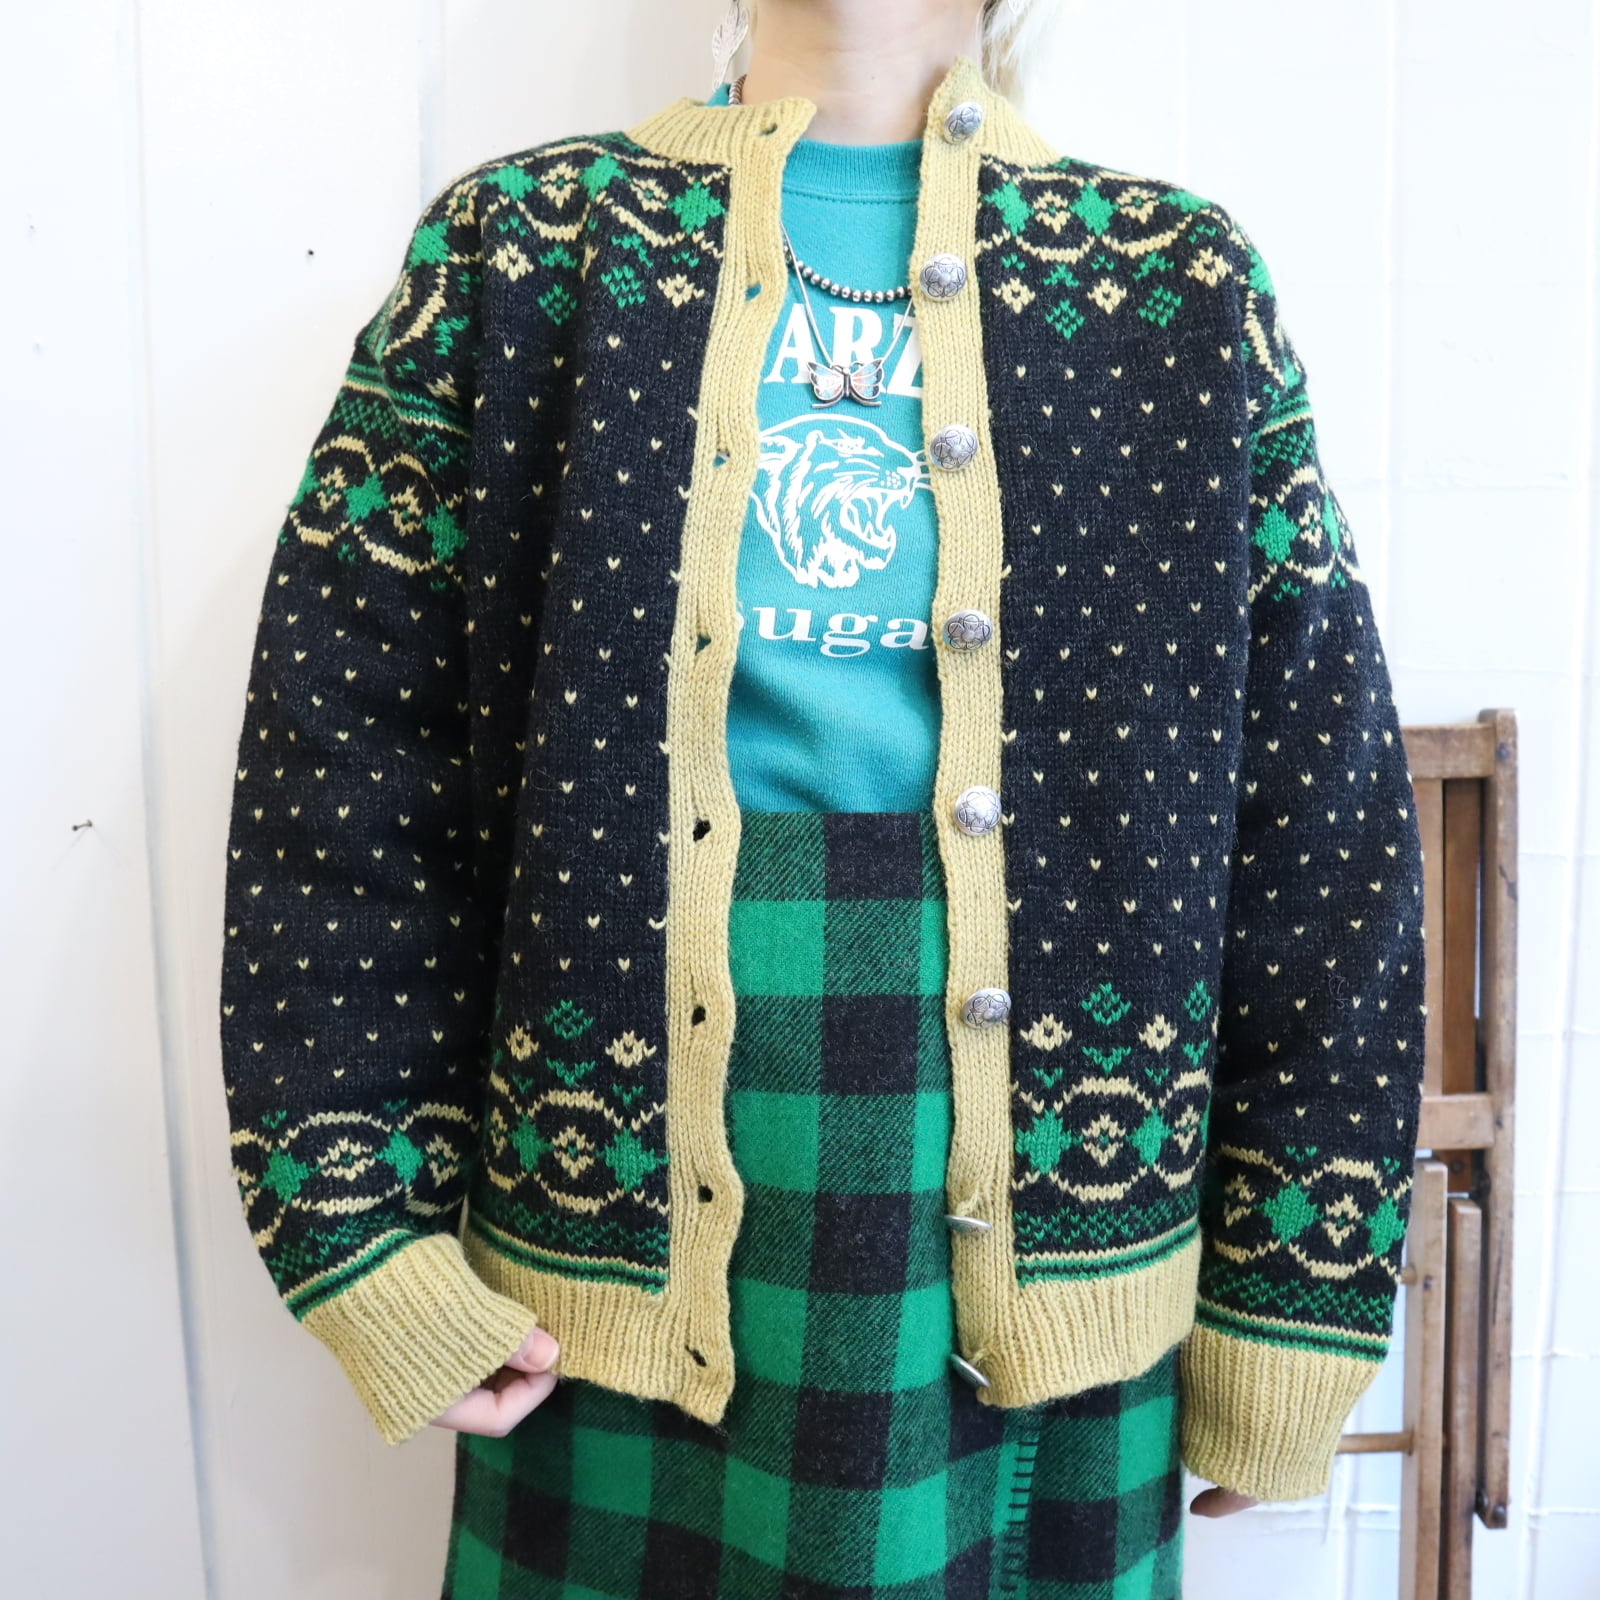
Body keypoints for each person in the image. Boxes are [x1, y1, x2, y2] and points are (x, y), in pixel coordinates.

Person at [216, 1, 1429, 1594]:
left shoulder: (1174, 285)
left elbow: (1322, 831)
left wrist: (1295, 1306)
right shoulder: (519, 252)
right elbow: (342, 788)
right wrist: (357, 1236)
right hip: (604, 1230)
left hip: (1063, 1221)